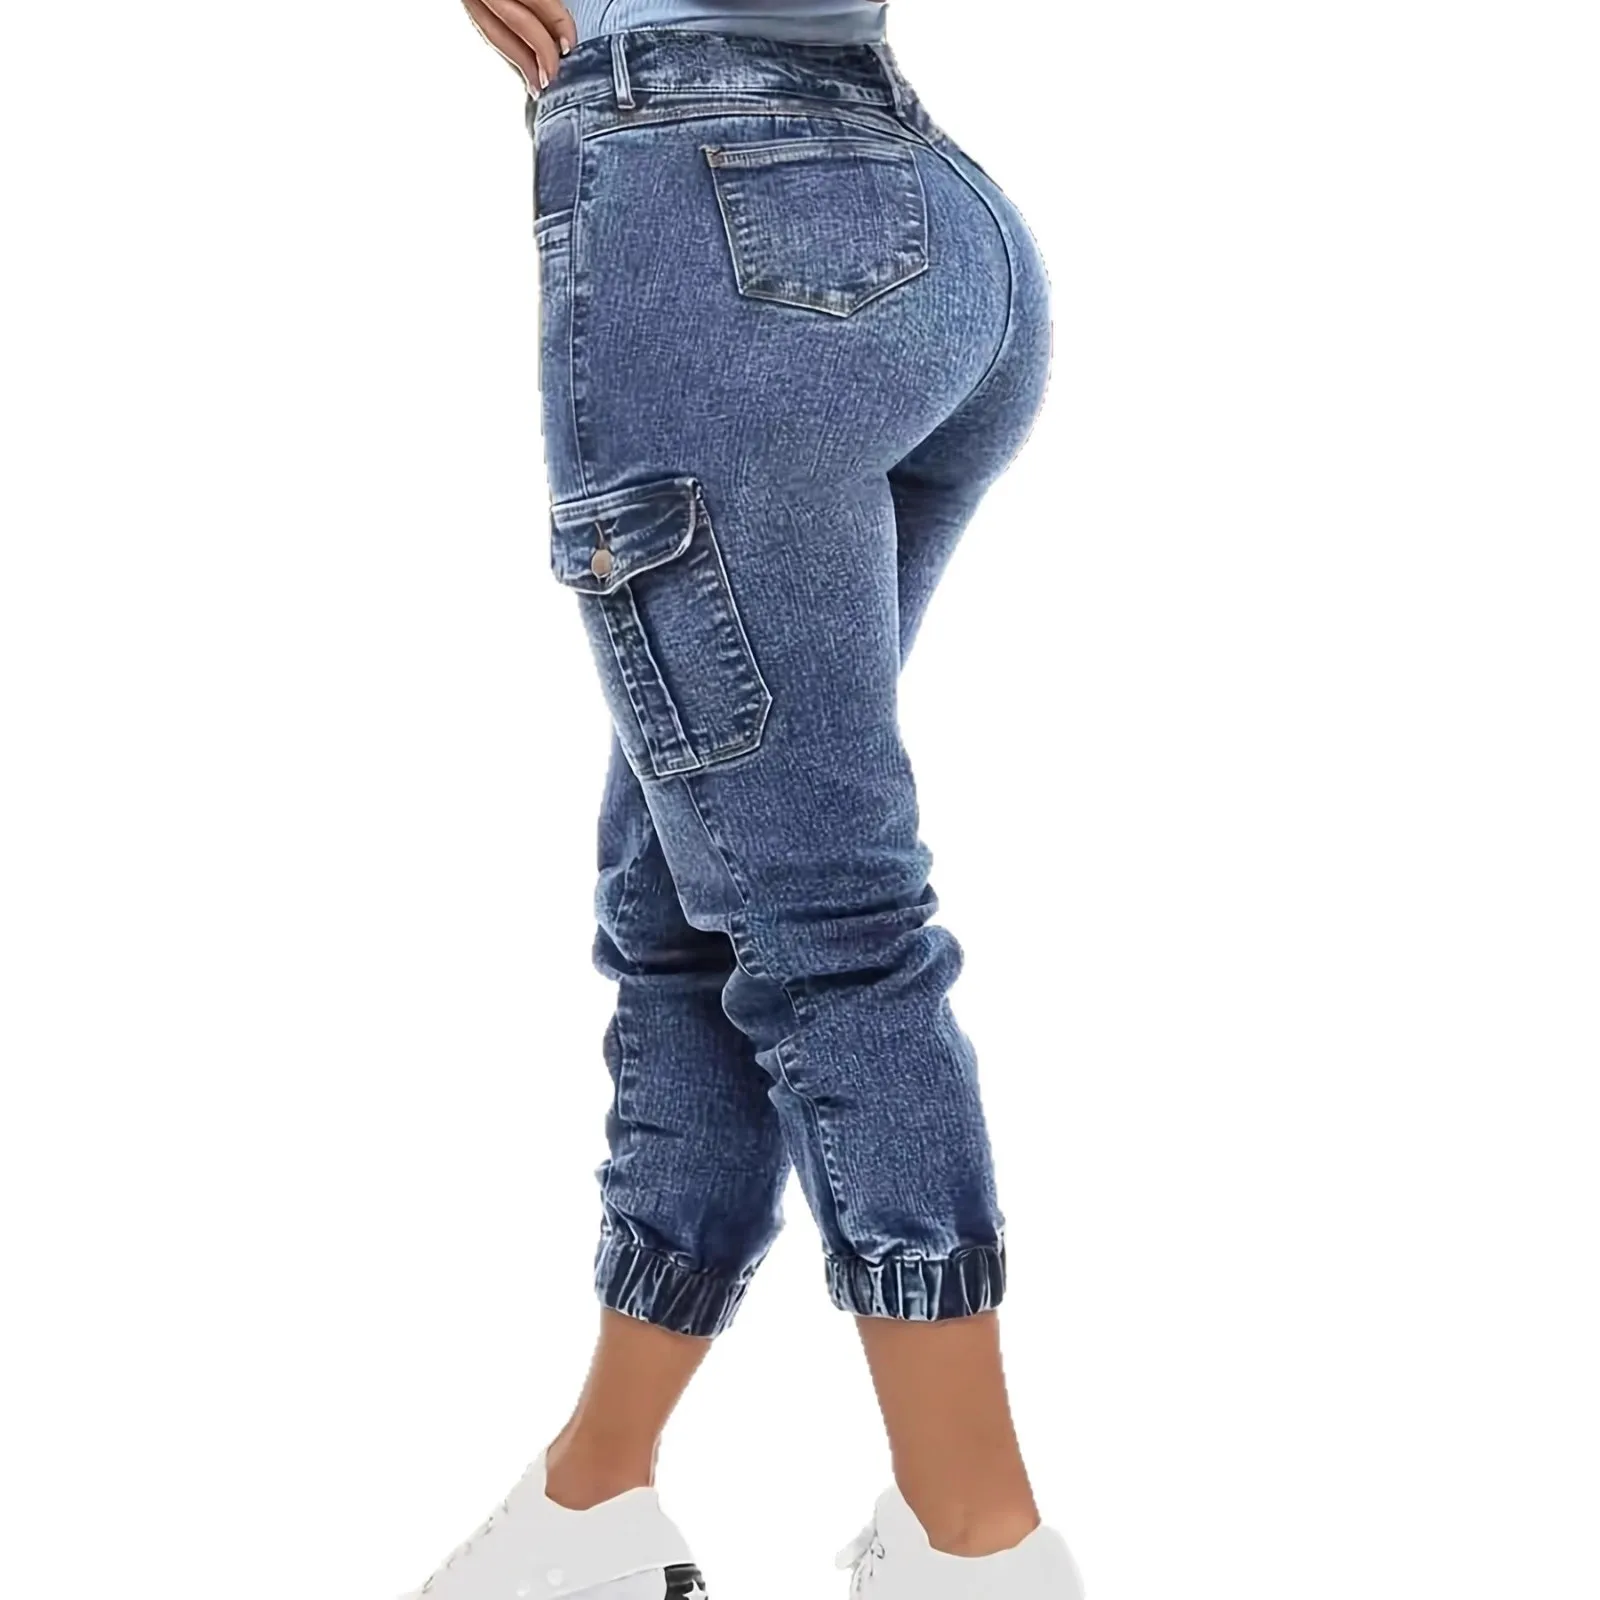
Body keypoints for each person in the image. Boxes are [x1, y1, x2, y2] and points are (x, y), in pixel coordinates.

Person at [408, 2, 1082, 1596]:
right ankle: (591, 1505)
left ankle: (981, 1546)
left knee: (824, 926)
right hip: (916, 217)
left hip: (709, 220)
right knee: (689, 896)